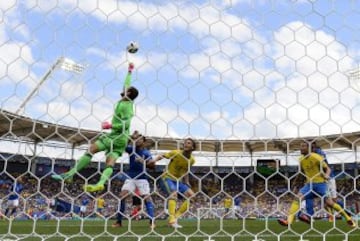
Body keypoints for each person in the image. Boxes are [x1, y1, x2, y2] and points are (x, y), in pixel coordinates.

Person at [51, 63, 139, 192]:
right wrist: (129, 72)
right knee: (110, 162)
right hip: (122, 140)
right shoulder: (127, 101)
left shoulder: (127, 107)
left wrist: (111, 125)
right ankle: (101, 183)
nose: (124, 88)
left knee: (91, 149)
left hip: (116, 136)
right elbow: (126, 84)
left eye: (127, 89)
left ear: (129, 92)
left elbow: (126, 124)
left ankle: (69, 175)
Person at [278, 141, 356, 227]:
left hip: (321, 185)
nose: (301, 148)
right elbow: (302, 172)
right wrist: (296, 181)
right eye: (301, 146)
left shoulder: (316, 157)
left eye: (303, 146)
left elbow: (328, 169)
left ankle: (348, 218)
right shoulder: (301, 159)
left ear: (309, 148)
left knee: (330, 203)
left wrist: (326, 175)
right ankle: (288, 221)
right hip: (309, 185)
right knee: (297, 199)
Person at [148, 138, 196, 229]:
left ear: (193, 147)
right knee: (173, 194)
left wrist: (186, 181)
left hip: (178, 180)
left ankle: (175, 217)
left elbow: (186, 170)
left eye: (189, 143)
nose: (186, 144)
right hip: (167, 177)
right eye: (185, 142)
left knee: (192, 197)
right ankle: (171, 220)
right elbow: (163, 155)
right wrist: (154, 160)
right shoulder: (176, 153)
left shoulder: (192, 160)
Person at [112, 131, 155, 229]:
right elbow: (123, 145)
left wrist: (143, 161)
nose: (137, 141)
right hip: (130, 177)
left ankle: (152, 222)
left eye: (139, 139)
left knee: (147, 198)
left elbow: (153, 166)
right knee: (122, 196)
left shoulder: (146, 153)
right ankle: (119, 222)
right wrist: (131, 137)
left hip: (142, 179)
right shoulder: (131, 150)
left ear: (143, 142)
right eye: (136, 139)